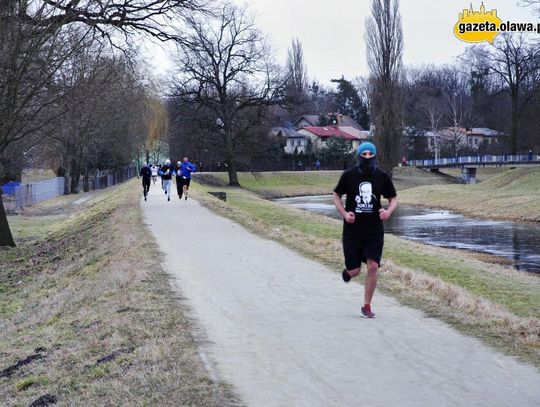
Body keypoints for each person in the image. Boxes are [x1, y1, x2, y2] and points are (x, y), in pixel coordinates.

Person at [333, 141, 398, 318]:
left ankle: (366, 306)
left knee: (373, 266)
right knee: (355, 271)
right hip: (353, 231)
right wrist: (345, 214)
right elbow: (336, 195)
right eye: (364, 155)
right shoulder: (349, 175)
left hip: (374, 230)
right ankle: (348, 271)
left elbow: (393, 199)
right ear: (359, 156)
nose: (367, 158)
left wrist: (388, 212)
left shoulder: (382, 177)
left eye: (370, 155)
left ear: (375, 156)